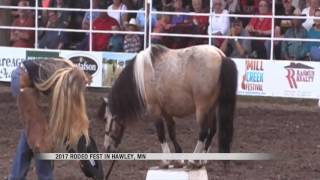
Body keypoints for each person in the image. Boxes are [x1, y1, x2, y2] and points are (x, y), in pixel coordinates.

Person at [8, 58, 99, 179]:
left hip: (31, 81)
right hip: (21, 80)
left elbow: (64, 119)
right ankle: (45, 177)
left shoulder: (67, 74)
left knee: (32, 134)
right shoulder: (59, 80)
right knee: (42, 139)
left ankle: (16, 177)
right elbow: (61, 120)